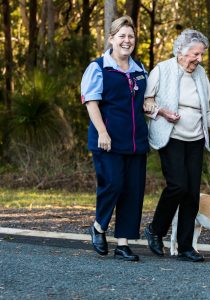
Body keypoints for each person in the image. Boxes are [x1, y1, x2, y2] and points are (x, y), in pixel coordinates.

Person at [143, 29, 210, 262]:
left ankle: (185, 246)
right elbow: (146, 103)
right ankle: (155, 230)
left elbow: (206, 112)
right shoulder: (162, 70)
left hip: (195, 139)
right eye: (196, 54)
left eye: (202, 54)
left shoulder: (201, 75)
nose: (200, 59)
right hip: (171, 137)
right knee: (177, 186)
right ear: (181, 52)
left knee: (192, 194)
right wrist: (162, 111)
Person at [80, 16, 149, 261]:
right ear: (111, 39)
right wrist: (102, 132)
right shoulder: (98, 67)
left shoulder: (140, 69)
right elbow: (91, 101)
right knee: (114, 184)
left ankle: (122, 244)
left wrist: (155, 107)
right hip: (107, 140)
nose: (126, 41)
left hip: (136, 142)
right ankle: (99, 227)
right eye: (121, 36)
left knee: (133, 191)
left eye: (130, 36)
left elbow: (146, 101)